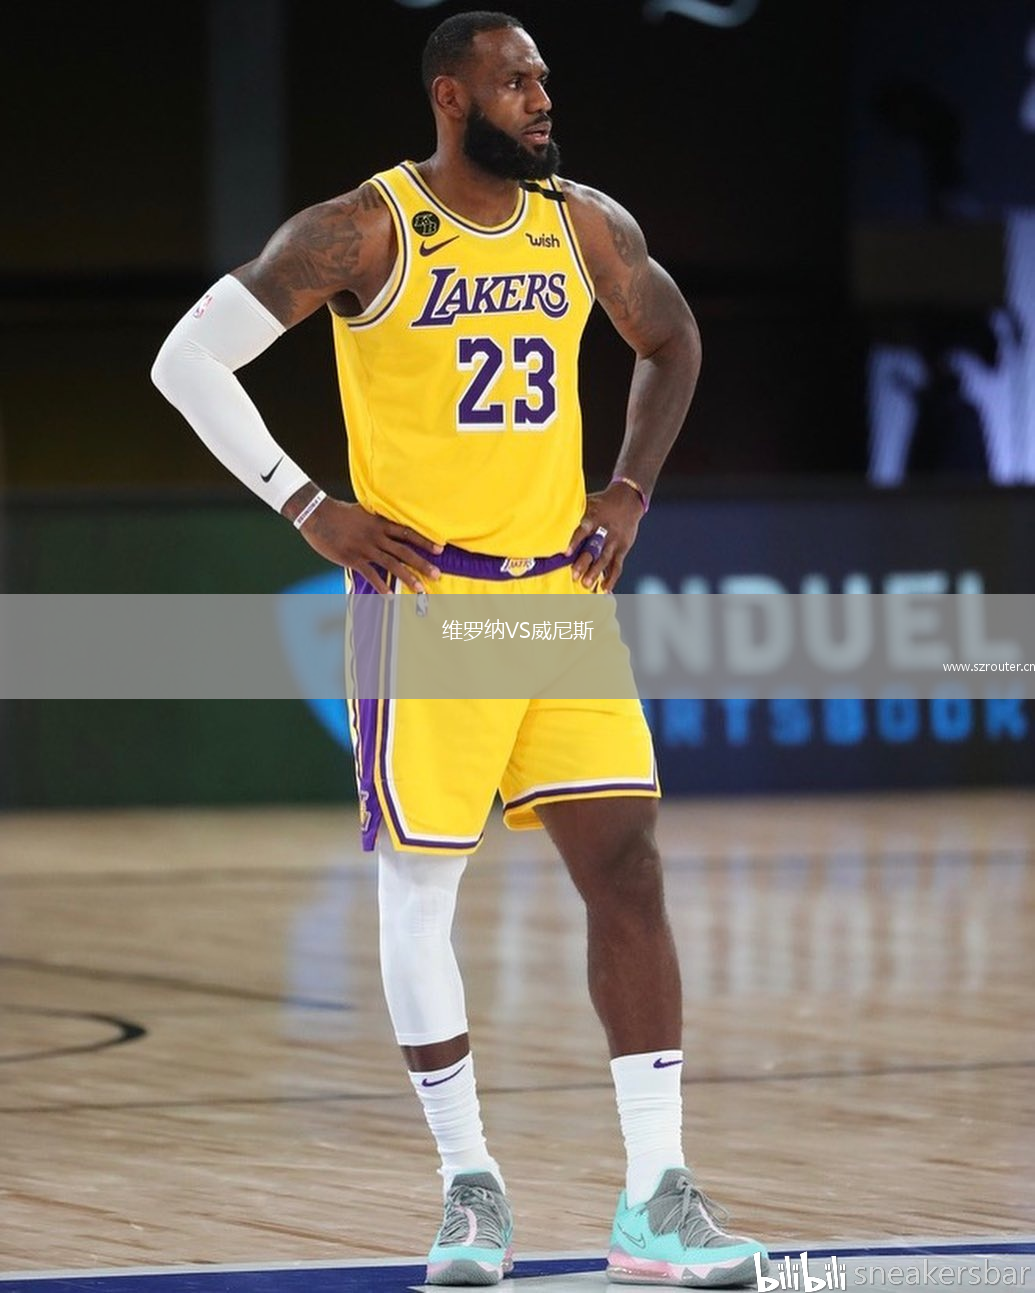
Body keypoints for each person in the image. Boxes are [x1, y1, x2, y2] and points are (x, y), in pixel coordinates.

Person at [152, 10, 770, 1287]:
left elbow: (673, 338)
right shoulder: (363, 228)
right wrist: (304, 503)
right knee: (422, 895)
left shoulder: (583, 224)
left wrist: (630, 490)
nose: (542, 99)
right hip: (427, 608)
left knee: (631, 871)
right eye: (516, 81)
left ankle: (657, 1196)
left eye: (544, 79)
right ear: (451, 97)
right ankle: (468, 1185)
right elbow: (188, 359)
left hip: (559, 603)